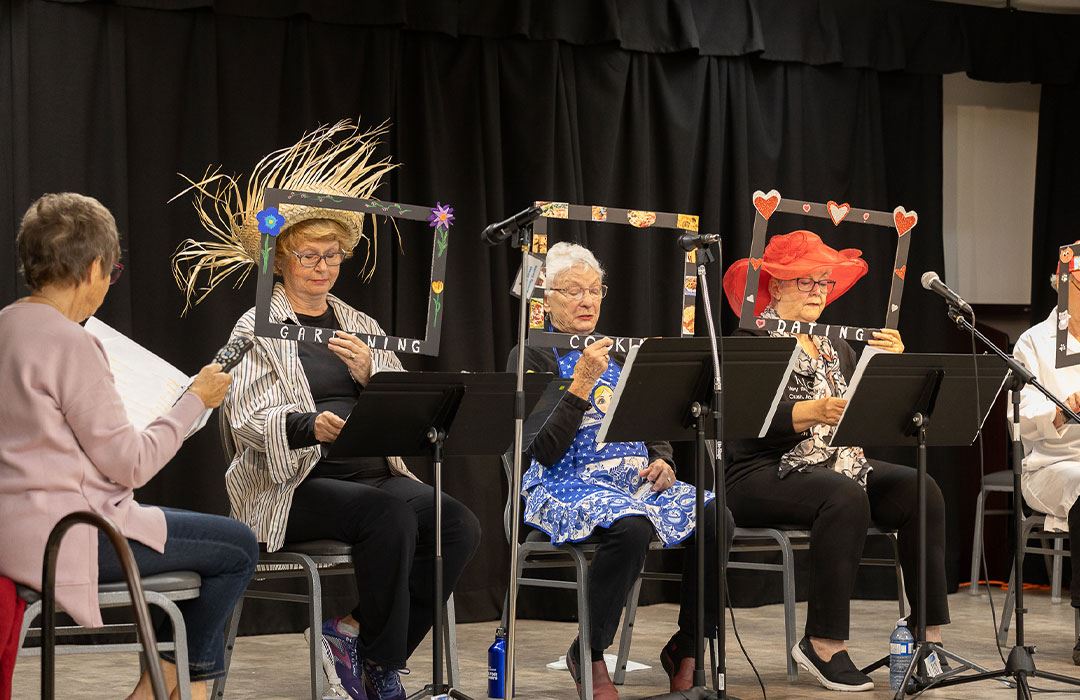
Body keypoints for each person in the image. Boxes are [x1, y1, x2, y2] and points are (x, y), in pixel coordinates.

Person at [173, 121, 481, 700]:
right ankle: (380, 670)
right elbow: (241, 418)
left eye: (332, 256)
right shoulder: (258, 326)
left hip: (370, 471)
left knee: (456, 523)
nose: (322, 267)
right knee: (387, 519)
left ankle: (359, 636)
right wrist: (306, 424)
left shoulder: (361, 325)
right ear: (282, 261)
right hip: (293, 483)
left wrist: (373, 373)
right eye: (309, 256)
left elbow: (406, 407)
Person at [0, 192, 258, 700]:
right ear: (94, 266)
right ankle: (178, 685)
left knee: (205, 542)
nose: (107, 284)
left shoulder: (6, 325)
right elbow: (131, 464)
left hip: (12, 534)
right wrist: (193, 402)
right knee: (237, 545)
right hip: (68, 537)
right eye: (111, 272)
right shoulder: (71, 342)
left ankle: (167, 681)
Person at [721, 229, 948, 692]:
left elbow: (868, 413)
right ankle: (823, 643)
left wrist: (889, 368)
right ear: (777, 285)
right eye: (807, 281)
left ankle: (928, 638)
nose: (818, 292)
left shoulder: (833, 345)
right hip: (760, 471)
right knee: (842, 496)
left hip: (831, 465)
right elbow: (746, 420)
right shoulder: (751, 337)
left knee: (919, 488)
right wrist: (811, 413)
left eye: (823, 283)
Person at [508, 241, 735, 699]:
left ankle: (688, 645)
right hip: (561, 483)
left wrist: (663, 460)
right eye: (572, 291)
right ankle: (588, 651)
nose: (587, 300)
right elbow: (543, 451)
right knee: (630, 527)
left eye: (594, 290)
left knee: (716, 515)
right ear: (546, 298)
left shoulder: (621, 353)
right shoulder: (532, 355)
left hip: (630, 482)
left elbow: (654, 426)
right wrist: (582, 382)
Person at [1013, 251, 1080, 665]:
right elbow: (1015, 417)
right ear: (1066, 286)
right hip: (1049, 466)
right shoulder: (1036, 342)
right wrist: (1058, 412)